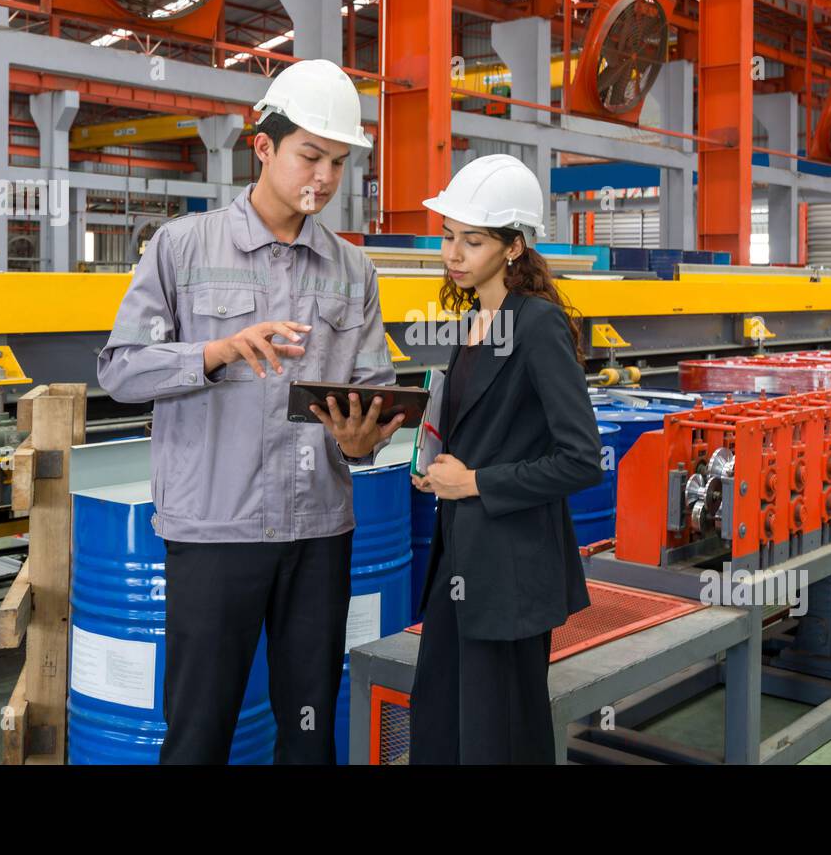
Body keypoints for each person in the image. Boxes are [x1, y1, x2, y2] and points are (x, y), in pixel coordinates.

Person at [97, 59, 405, 764]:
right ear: (262, 147)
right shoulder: (183, 247)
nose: (324, 177)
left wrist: (363, 439)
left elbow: (371, 391)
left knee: (309, 733)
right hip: (214, 533)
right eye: (309, 156)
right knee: (199, 733)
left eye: (337, 161)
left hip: (319, 531)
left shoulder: (354, 271)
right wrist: (214, 351)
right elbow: (119, 369)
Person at [407, 154, 603, 764]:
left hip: (511, 570)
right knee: (441, 718)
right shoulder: (472, 323)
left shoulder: (538, 324)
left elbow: (582, 459)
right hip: (459, 560)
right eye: (448, 237)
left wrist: (475, 483)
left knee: (501, 736)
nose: (453, 253)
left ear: (514, 246)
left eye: (473, 240)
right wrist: (435, 464)